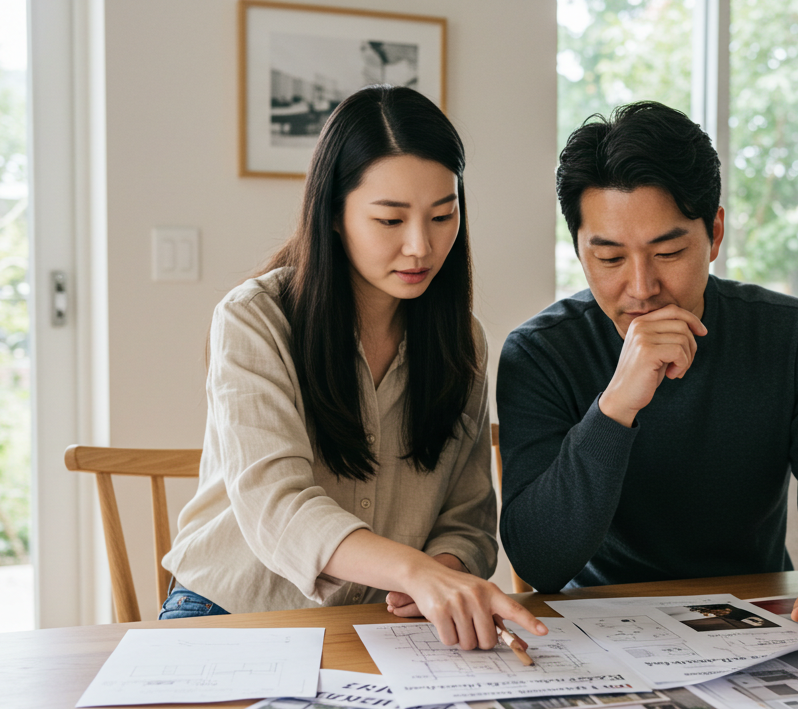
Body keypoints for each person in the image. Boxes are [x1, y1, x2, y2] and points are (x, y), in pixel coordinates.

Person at [497, 102, 798, 643]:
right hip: (600, 634)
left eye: (667, 251)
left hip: (756, 625)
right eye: (610, 259)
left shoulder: (791, 335)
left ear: (714, 234)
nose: (641, 288)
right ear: (579, 249)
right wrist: (616, 406)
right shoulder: (539, 353)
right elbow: (540, 561)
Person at [161, 86, 545, 650]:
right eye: (390, 221)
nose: (421, 246)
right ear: (335, 214)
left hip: (384, 625)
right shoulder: (256, 320)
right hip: (232, 610)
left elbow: (467, 515)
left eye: (443, 215)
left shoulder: (461, 340)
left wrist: (439, 572)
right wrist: (415, 572)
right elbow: (278, 506)